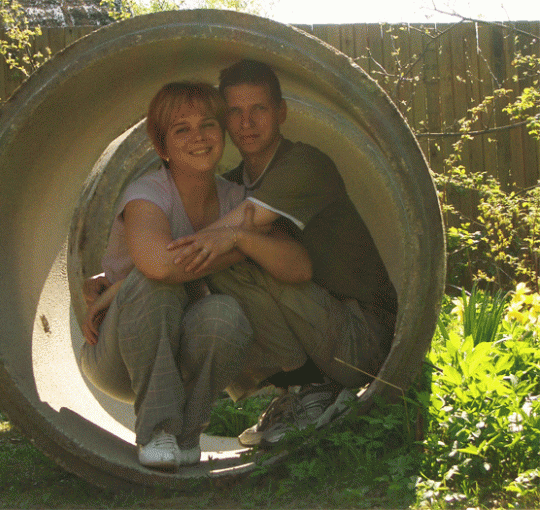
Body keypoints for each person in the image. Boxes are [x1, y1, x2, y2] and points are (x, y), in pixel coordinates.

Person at [79, 81, 313, 471]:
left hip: (186, 347)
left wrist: (235, 236)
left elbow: (298, 266)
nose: (198, 137)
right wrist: (238, 246)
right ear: (161, 147)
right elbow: (160, 268)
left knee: (224, 314)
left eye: (208, 124)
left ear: (223, 134)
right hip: (119, 355)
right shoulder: (147, 194)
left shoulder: (236, 199)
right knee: (155, 286)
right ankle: (157, 431)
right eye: (181, 129)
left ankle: (187, 434)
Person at [168, 60, 398, 448]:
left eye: (258, 108)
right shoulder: (234, 183)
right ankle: (301, 390)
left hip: (366, 341)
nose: (247, 122)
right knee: (211, 266)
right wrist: (120, 282)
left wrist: (162, 260)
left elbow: (229, 230)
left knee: (229, 255)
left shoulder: (305, 164)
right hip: (323, 328)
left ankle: (310, 386)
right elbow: (183, 234)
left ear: (281, 113)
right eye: (235, 112)